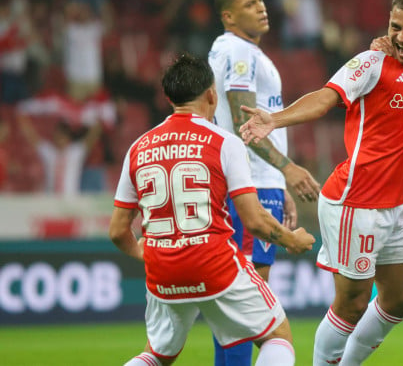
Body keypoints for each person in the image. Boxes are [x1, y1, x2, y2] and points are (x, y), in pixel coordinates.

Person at [240, 0, 403, 365]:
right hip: (354, 201)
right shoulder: (371, 63)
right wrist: (275, 119)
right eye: (396, 27)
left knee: (401, 298)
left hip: (398, 202)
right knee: (352, 303)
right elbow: (325, 97)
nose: (402, 38)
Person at [109, 53, 315, 366]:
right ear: (211, 94)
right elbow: (255, 220)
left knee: (156, 356)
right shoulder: (224, 142)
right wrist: (292, 240)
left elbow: (117, 231)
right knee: (277, 337)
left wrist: (144, 253)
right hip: (214, 266)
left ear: (168, 98)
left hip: (162, 271)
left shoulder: (138, 147)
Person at [208, 0, 321, 366]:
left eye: (260, 0)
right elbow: (246, 121)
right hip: (251, 185)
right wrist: (286, 169)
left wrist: (277, 181)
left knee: (239, 301)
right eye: (248, 4)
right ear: (228, 15)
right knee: (249, 303)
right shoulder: (240, 52)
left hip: (254, 182)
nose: (261, 7)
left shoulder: (230, 50)